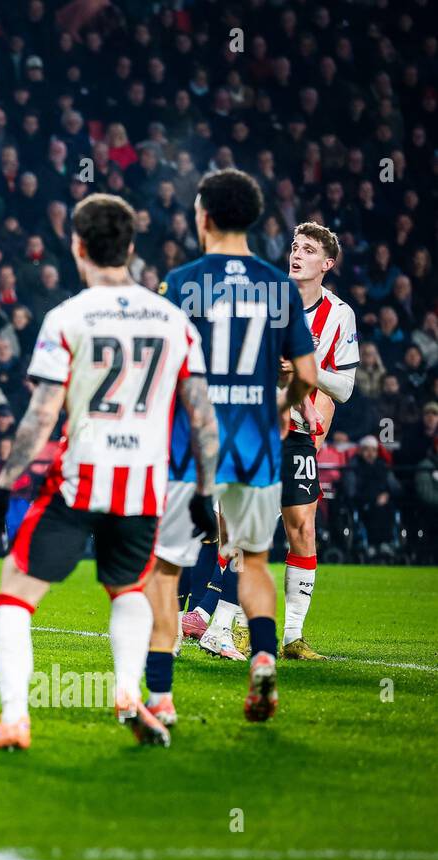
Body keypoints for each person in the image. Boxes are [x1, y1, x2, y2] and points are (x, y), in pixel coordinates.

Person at [0, 194, 217, 751]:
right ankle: (128, 693)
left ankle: (15, 719)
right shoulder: (173, 320)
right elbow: (202, 415)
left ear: (77, 246)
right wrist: (204, 492)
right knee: (128, 588)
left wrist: (4, 485)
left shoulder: (68, 317)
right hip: (144, 487)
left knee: (15, 593)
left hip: (81, 479)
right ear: (131, 248)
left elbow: (41, 415)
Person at [144, 169, 318, 727]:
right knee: (258, 563)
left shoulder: (183, 282)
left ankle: (162, 699)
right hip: (258, 444)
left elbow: (163, 370)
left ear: (205, 216)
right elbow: (308, 376)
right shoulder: (280, 286)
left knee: (167, 570)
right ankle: (264, 658)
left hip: (194, 446)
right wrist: (275, 405)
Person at [181, 222, 359, 660]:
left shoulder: (339, 315)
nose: (297, 254)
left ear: (327, 263)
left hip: (298, 435)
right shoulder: (265, 302)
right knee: (236, 529)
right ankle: (211, 619)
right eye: (295, 247)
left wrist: (303, 375)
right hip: (251, 427)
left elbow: (345, 387)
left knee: (300, 529)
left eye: (309, 249)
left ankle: (288, 635)